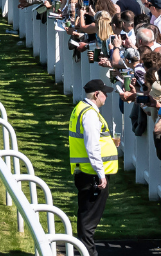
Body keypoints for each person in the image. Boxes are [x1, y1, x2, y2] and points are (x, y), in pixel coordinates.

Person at [69, 78, 118, 252]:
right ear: (96, 94)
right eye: (104, 94)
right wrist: (101, 173)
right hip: (92, 175)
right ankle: (88, 252)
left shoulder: (81, 109)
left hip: (86, 172)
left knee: (86, 216)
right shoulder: (89, 113)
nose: (106, 97)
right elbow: (92, 147)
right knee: (89, 219)